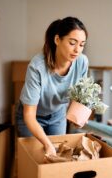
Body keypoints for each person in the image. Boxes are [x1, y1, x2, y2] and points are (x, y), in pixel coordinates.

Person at [16, 16, 89, 155]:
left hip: (57, 115)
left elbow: (79, 93)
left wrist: (77, 114)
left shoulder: (82, 62)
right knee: (33, 159)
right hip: (32, 117)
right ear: (57, 40)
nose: (77, 50)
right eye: (72, 43)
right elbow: (29, 115)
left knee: (57, 158)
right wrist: (47, 144)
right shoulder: (37, 67)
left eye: (82, 44)